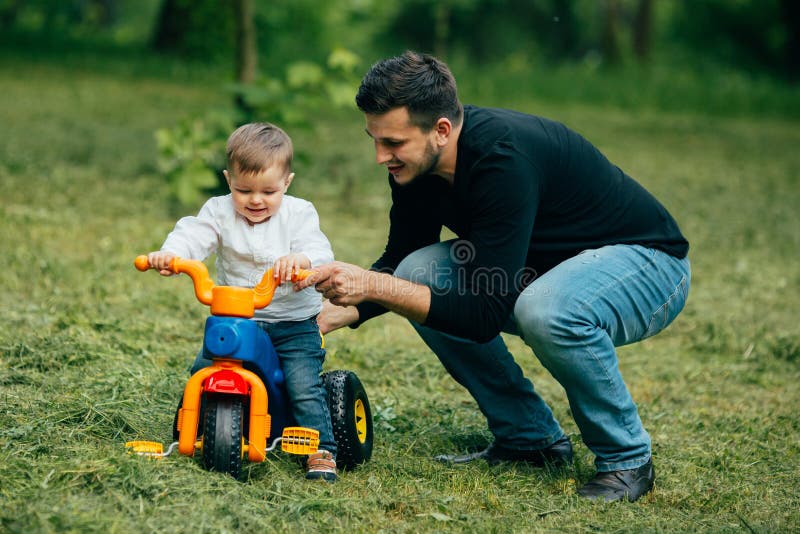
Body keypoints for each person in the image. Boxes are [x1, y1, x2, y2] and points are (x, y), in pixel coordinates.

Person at [295, 51, 691, 501]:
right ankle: (529, 438)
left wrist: (375, 286)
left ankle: (627, 460)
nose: (380, 155)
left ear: (441, 130)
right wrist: (329, 315)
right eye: (374, 139)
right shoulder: (415, 167)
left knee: (546, 309)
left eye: (393, 142)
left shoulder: (503, 158)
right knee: (418, 270)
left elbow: (484, 313)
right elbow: (401, 256)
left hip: (648, 265)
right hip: (542, 268)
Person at [147, 122, 338, 482]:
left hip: (292, 323)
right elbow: (194, 234)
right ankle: (192, 429)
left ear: (287, 182)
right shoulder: (218, 212)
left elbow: (318, 248)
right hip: (238, 320)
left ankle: (322, 450)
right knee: (201, 370)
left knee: (302, 385)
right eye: (243, 189)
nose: (255, 200)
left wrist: (301, 260)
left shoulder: (299, 214)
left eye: (268, 191)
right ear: (227, 179)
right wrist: (172, 254)